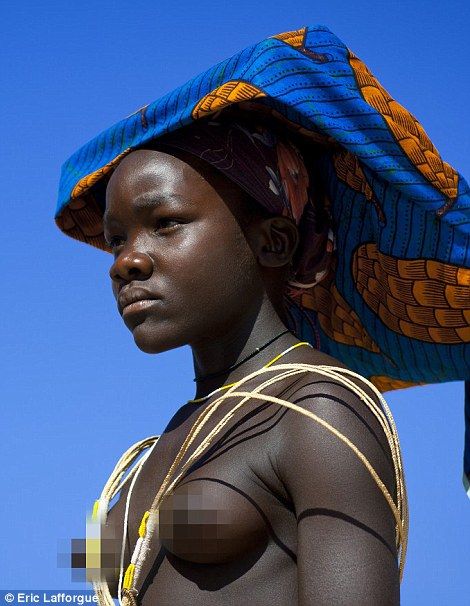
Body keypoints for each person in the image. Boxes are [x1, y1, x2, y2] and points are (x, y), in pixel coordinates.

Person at [56, 25, 468, 606]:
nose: (127, 261)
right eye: (116, 238)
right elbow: (70, 592)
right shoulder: (149, 452)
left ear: (273, 242)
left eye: (166, 223)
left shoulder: (319, 408)